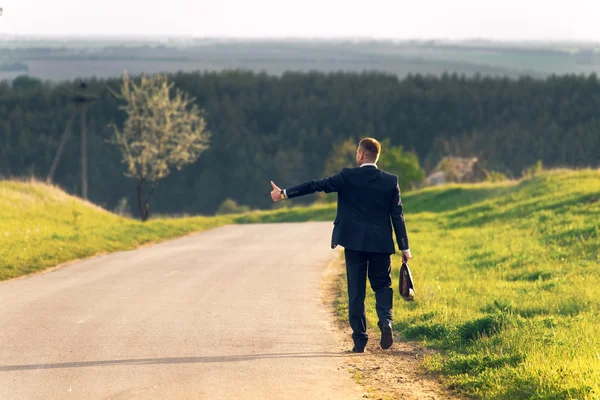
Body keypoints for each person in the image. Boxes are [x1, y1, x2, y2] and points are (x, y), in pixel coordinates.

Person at [269, 137, 412, 353]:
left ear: (361, 155)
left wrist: (284, 193)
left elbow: (316, 185)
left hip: (354, 244)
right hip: (381, 244)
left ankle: (360, 341)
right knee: (382, 285)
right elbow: (397, 215)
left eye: (357, 152)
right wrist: (404, 247)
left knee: (356, 292)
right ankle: (386, 321)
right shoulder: (390, 181)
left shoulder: (347, 176)